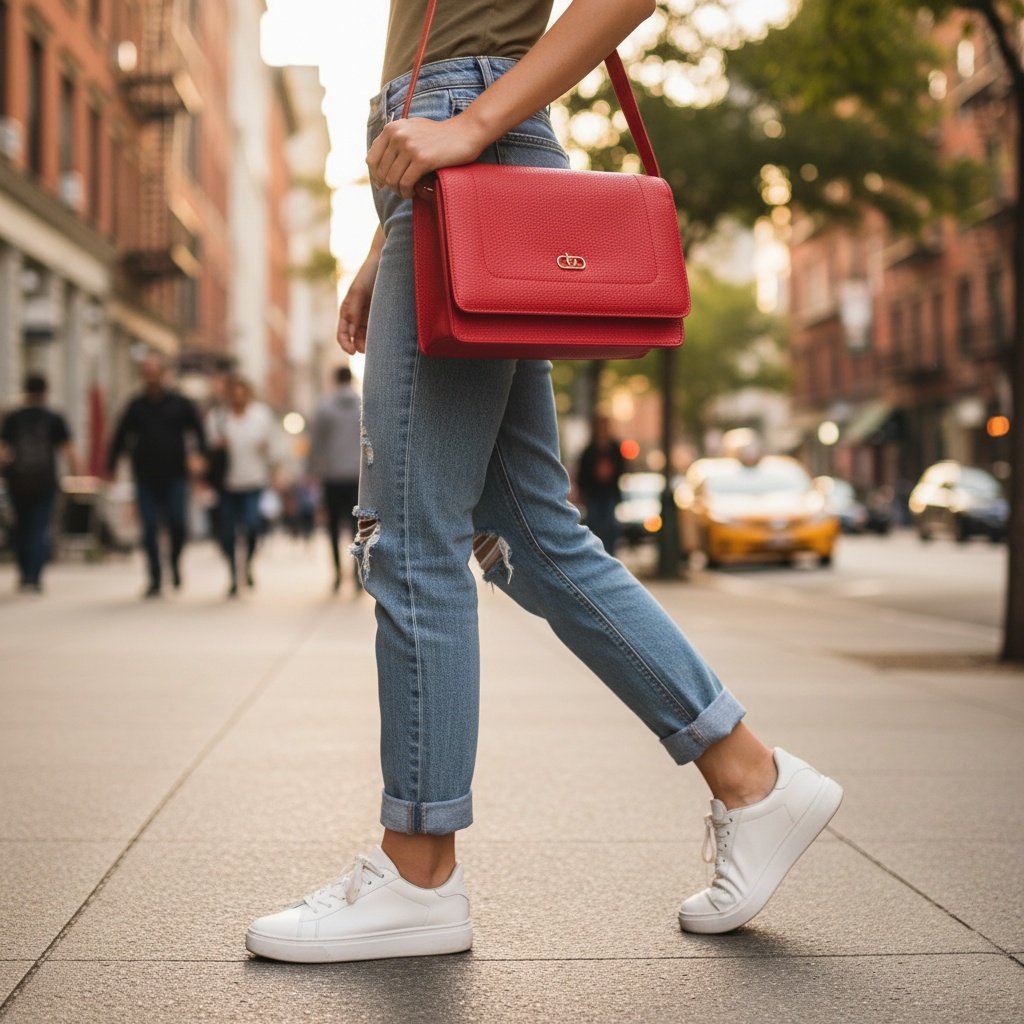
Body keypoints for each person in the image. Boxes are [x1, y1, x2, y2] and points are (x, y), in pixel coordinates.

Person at [246, 0, 843, 963]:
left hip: (474, 132)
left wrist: (471, 129)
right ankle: (750, 776)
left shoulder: (474, 117)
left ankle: (418, 869)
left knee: (412, 535)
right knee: (532, 537)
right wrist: (385, 237)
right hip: (455, 155)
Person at [108, 355, 207, 598]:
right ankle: (154, 577)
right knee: (149, 526)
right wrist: (111, 467)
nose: (151, 376)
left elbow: (198, 432)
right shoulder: (136, 405)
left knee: (177, 523)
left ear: (163, 375)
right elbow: (120, 436)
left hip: (175, 475)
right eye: (146, 372)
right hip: (144, 476)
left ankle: (173, 563)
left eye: (154, 371)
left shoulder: (180, 403)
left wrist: (199, 456)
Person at [0, 374, 79, 593]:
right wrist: (78, 476)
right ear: (46, 391)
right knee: (39, 527)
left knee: (21, 527)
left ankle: (24, 574)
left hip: (18, 481)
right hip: (45, 480)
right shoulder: (53, 417)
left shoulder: (14, 418)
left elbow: (3, 450)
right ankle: (35, 578)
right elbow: (69, 450)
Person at [206, 376, 276, 598]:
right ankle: (233, 575)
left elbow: (274, 446)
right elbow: (207, 450)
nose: (238, 397)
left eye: (241, 392)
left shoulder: (261, 415)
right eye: (233, 392)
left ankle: (247, 564)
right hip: (226, 484)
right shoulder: (217, 418)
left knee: (253, 526)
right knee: (227, 533)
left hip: (253, 481)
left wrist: (270, 456)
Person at [307, 366, 362, 593]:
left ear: (334, 380)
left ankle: (338, 574)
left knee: (331, 527)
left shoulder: (324, 407)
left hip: (331, 475)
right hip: (358, 476)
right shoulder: (363, 403)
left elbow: (315, 444)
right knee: (356, 527)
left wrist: (311, 471)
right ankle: (358, 573)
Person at [577, 414, 626, 554]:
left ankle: (609, 553)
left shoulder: (614, 448)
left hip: (609, 494)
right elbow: (583, 473)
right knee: (595, 527)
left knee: (610, 527)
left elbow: (621, 469)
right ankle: (597, 554)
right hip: (594, 495)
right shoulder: (589, 450)